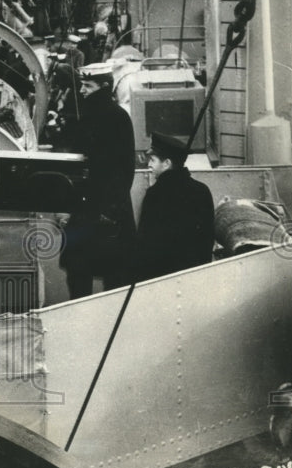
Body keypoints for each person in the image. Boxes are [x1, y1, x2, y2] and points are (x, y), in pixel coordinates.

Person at [59, 62, 137, 298]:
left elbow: (123, 170)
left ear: (103, 87)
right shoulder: (93, 115)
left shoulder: (115, 118)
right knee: (87, 271)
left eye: (87, 85)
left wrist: (109, 211)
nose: (82, 90)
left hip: (104, 213)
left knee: (101, 275)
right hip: (94, 210)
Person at [133, 132, 215, 283]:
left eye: (153, 160)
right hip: (195, 277)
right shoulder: (202, 190)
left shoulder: (155, 195)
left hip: (162, 280)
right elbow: (207, 240)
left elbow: (145, 246)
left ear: (167, 163)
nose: (149, 164)